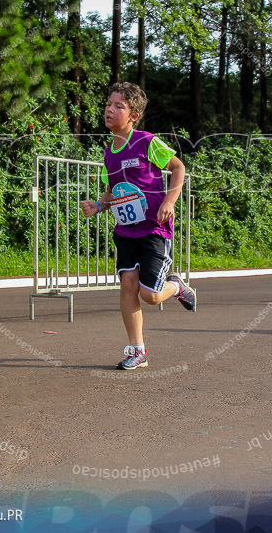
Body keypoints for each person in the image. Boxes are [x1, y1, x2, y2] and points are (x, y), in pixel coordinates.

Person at [81, 82, 196, 370]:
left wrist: (169, 201)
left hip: (154, 229)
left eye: (119, 106)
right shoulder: (109, 153)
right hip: (125, 230)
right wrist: (99, 205)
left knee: (151, 296)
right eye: (109, 103)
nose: (110, 109)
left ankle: (177, 285)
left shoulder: (146, 142)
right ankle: (138, 350)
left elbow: (178, 167)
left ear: (133, 115)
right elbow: (114, 190)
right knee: (128, 286)